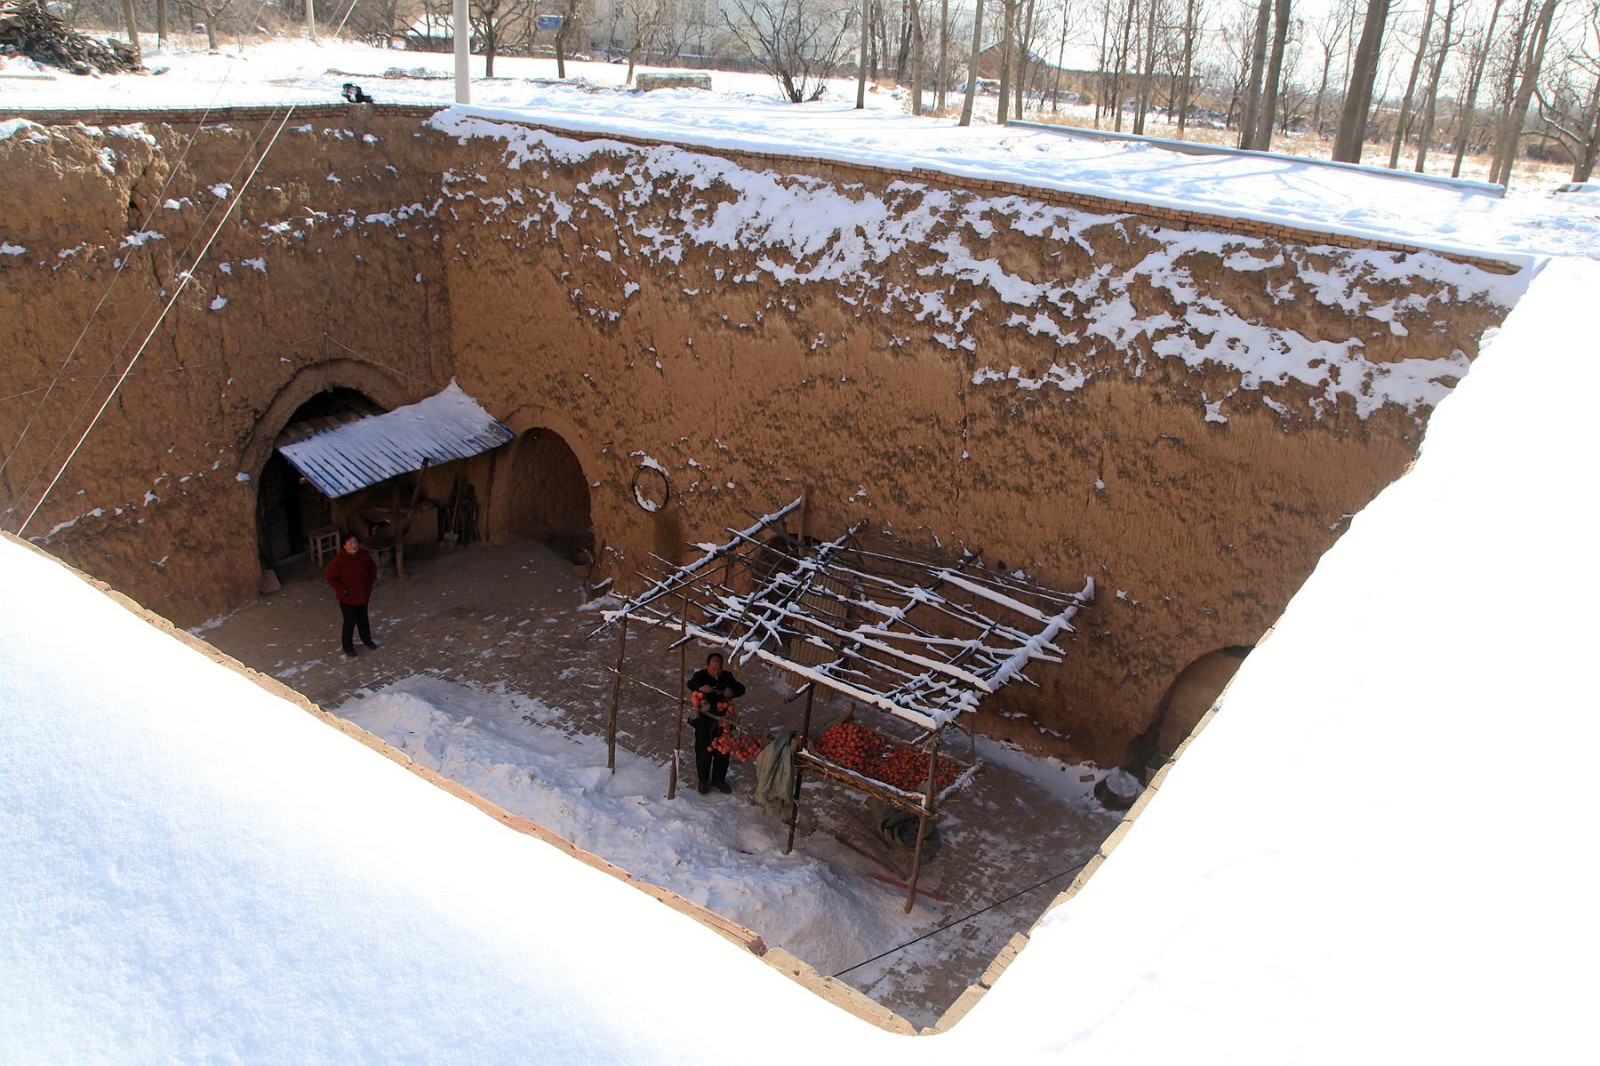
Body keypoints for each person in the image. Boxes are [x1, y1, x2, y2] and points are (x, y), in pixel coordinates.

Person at [686, 652, 744, 795]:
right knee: (703, 751)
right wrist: (701, 688)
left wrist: (733, 692)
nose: (716, 671)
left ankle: (718, 779)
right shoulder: (700, 676)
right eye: (713, 668)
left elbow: (741, 688)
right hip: (704, 721)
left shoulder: (727, 677)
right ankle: (703, 780)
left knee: (723, 752)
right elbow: (690, 683)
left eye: (718, 669)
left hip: (723, 721)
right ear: (707, 666)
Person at [325, 534, 379, 658]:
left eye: (355, 542)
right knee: (349, 622)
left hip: (363, 595)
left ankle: (367, 640)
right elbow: (331, 578)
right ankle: (348, 647)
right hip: (347, 598)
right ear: (344, 546)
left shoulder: (363, 554)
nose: (353, 545)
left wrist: (370, 582)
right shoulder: (339, 561)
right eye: (350, 543)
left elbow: (372, 568)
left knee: (363, 619)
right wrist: (343, 589)